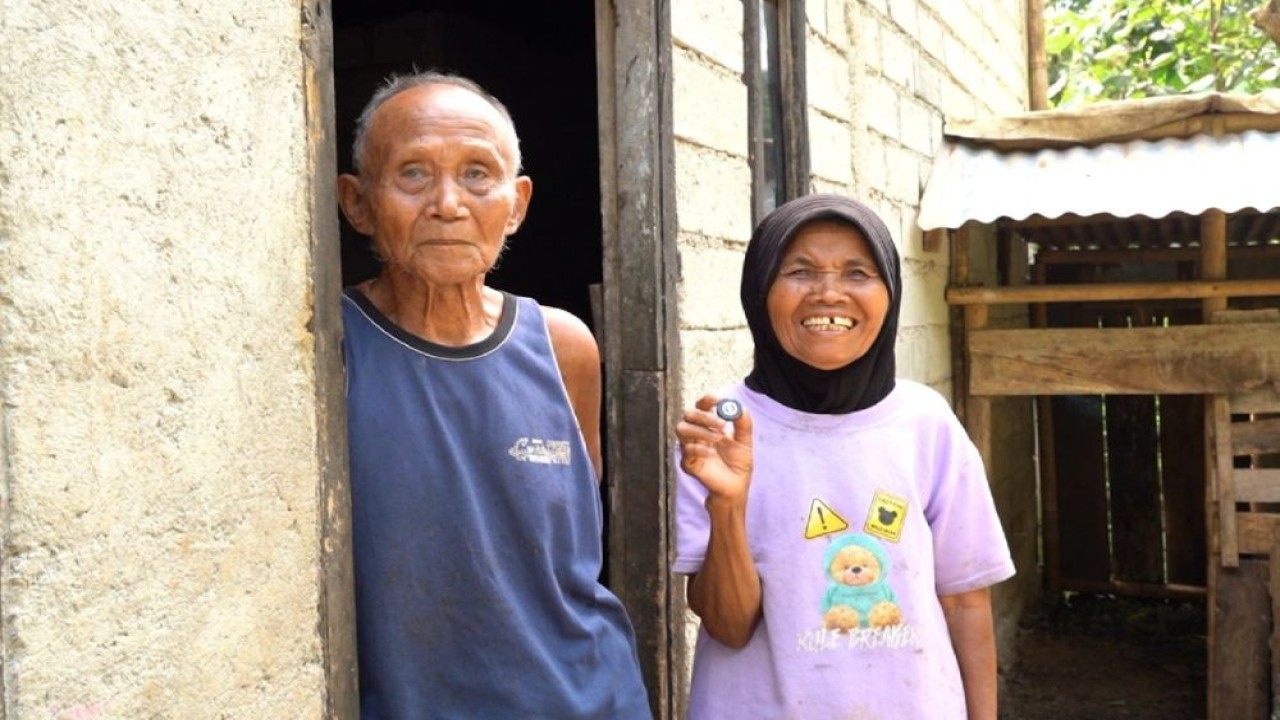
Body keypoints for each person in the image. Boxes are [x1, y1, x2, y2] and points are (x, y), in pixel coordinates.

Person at [337, 71, 651, 720]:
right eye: (414, 174)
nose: (449, 204)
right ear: (358, 202)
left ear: (517, 204)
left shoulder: (564, 348)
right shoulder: (330, 350)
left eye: (478, 174)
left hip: (591, 700)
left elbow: (565, 557)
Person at [673, 194, 1015, 719]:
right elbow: (729, 626)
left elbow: (966, 600)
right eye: (800, 272)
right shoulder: (723, 430)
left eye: (857, 273)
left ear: (890, 293)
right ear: (759, 292)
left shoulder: (926, 423)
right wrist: (727, 504)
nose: (828, 294)